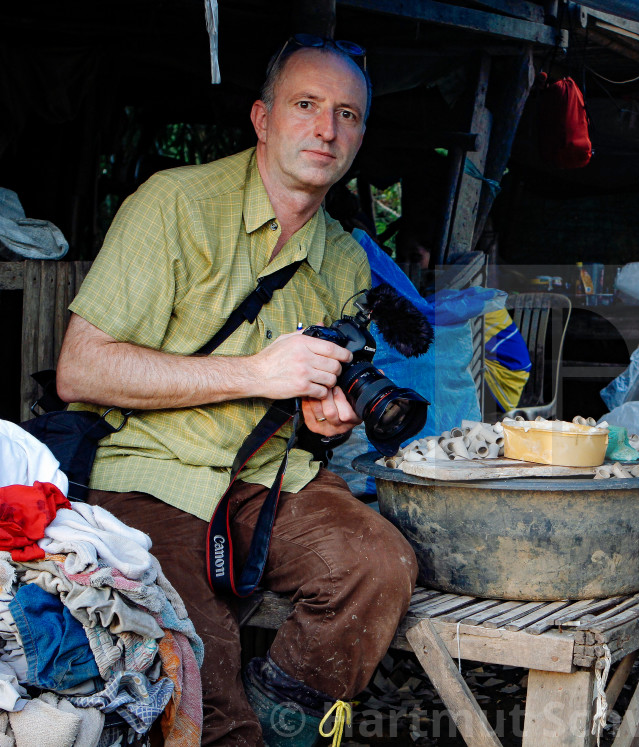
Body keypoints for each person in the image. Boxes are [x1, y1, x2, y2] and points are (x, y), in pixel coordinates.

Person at [55, 36, 417, 747]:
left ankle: (284, 724)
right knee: (206, 687)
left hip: (263, 480)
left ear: (360, 136)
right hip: (148, 474)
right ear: (261, 117)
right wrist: (256, 372)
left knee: (380, 563)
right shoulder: (176, 204)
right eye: (306, 105)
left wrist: (325, 421)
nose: (326, 129)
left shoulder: (344, 256)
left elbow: (305, 411)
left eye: (346, 114)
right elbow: (81, 369)